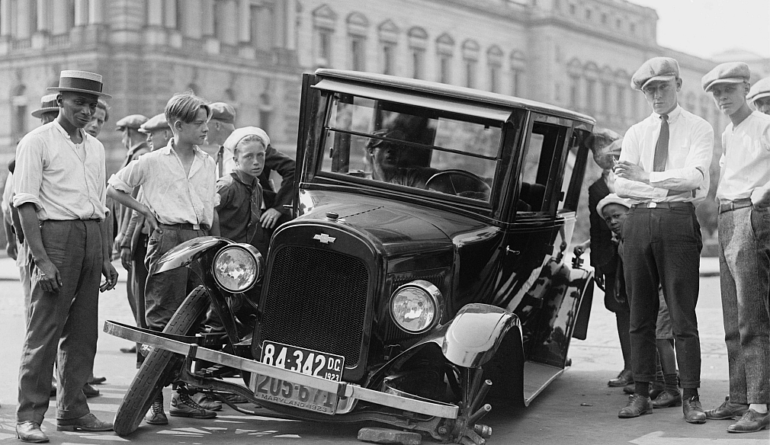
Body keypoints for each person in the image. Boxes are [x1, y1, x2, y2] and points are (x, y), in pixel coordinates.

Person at [14, 70, 118, 442]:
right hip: (54, 236)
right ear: (59, 101)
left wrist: (105, 255)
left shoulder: (96, 147)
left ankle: (74, 409)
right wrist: (41, 259)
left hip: (91, 236)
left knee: (83, 332)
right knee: (44, 331)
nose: (87, 111)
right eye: (79, 103)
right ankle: (29, 416)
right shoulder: (37, 141)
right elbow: (25, 203)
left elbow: (100, 206)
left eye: (92, 105)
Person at [107, 91, 220, 425]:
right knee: (160, 324)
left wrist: (213, 243)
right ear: (178, 125)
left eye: (207, 124)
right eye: (199, 123)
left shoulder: (208, 162)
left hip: (200, 240)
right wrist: (146, 213)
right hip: (168, 239)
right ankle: (153, 399)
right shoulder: (153, 161)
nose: (205, 130)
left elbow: (209, 208)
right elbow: (115, 187)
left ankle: (182, 395)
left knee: (195, 322)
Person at [614, 57, 713, 424]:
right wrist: (654, 179)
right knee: (640, 313)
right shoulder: (637, 132)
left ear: (678, 84)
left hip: (677, 220)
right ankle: (641, 394)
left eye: (662, 87)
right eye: (649, 89)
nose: (656, 95)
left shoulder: (699, 128)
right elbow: (621, 183)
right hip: (638, 219)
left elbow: (695, 178)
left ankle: (690, 396)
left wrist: (647, 175)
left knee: (682, 314)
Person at [701, 62, 770, 433]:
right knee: (731, 316)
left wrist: (765, 192)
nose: (722, 97)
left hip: (750, 213)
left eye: (728, 89)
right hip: (728, 215)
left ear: (745, 87)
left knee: (751, 315)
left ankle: (760, 404)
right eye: (716, 92)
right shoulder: (729, 133)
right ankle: (739, 397)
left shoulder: (764, 124)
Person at [573, 128, 633, 389]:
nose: (601, 156)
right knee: (620, 311)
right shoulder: (595, 187)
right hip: (610, 260)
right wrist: (597, 262)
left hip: (636, 253)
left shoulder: (634, 178)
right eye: (596, 152)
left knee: (649, 310)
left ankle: (657, 369)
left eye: (605, 149)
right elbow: (597, 227)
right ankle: (630, 367)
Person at [117, 113, 172, 358]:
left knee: (143, 297)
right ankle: (145, 348)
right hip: (147, 236)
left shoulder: (145, 159)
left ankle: (146, 351)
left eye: (153, 133)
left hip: (148, 237)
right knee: (141, 296)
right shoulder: (149, 158)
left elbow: (139, 207)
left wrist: (127, 238)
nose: (148, 138)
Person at [212, 102, 296, 234]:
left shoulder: (252, 144)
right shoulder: (220, 152)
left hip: (257, 223)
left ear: (216, 125)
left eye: (203, 124)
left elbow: (292, 169)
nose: (202, 130)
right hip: (229, 224)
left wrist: (278, 208)